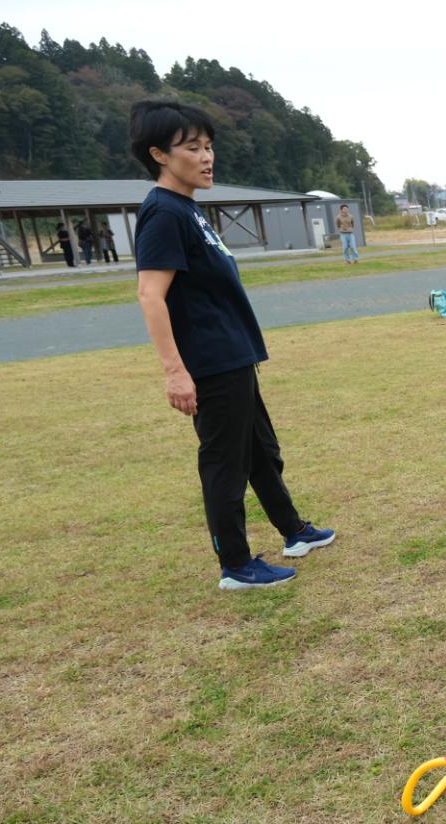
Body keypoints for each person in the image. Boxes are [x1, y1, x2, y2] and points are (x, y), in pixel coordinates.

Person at [130, 99, 334, 591]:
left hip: (233, 353)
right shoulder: (163, 213)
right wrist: (174, 371)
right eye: (192, 148)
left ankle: (293, 531)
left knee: (260, 451)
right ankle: (236, 565)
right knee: (225, 462)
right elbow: (150, 295)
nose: (206, 157)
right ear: (159, 154)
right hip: (210, 362)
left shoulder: (188, 208)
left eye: (208, 146)